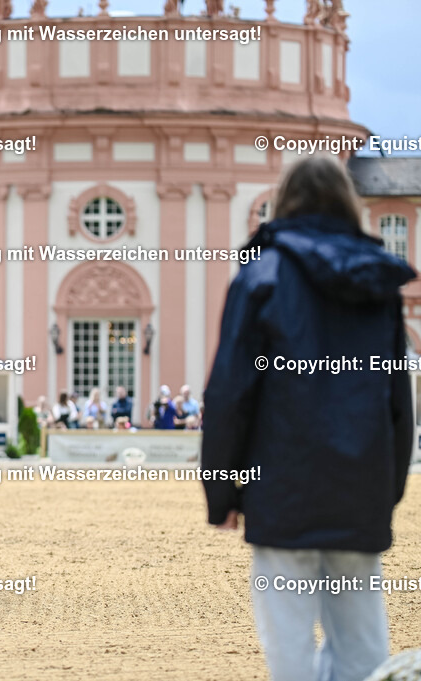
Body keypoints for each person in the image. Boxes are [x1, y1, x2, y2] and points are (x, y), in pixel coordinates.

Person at [201, 155, 415, 681]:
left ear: (285, 201)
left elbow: (229, 394)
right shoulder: (378, 283)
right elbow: (398, 403)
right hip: (358, 489)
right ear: (348, 203)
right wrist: (385, 492)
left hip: (282, 490)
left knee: (290, 652)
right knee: (364, 653)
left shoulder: (260, 276)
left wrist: (222, 493)